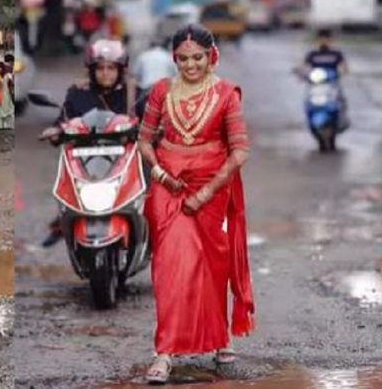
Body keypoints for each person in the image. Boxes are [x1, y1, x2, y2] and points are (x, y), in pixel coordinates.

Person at [137, 24, 255, 383]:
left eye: (197, 57)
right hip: (168, 188)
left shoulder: (225, 94)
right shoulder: (161, 91)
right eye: (183, 58)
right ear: (174, 58)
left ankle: (221, 340)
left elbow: (240, 151)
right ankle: (164, 352)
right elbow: (144, 141)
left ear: (211, 55)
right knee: (170, 267)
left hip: (212, 190)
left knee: (212, 266)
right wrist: (161, 175)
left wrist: (205, 193)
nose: (190, 65)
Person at [38, 39, 131, 248]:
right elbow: (63, 119)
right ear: (91, 70)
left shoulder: (134, 93)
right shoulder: (78, 94)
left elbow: (150, 120)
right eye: (100, 68)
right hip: (86, 160)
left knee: (154, 200)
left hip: (124, 161)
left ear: (120, 70)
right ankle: (64, 222)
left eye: (111, 68)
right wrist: (55, 131)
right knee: (67, 191)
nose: (105, 73)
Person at [298, 28, 350, 130]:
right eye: (321, 39)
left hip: (331, 84)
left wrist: (342, 72)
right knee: (309, 100)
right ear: (317, 40)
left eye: (326, 39)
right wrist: (301, 74)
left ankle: (342, 118)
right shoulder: (312, 55)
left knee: (340, 99)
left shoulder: (336, 54)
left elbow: (344, 67)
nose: (324, 41)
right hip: (316, 85)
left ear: (330, 40)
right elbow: (304, 67)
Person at [134, 37, 177, 119]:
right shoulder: (168, 56)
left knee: (144, 116)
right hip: (164, 90)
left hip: (146, 89)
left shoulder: (143, 56)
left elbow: (136, 76)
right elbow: (175, 74)